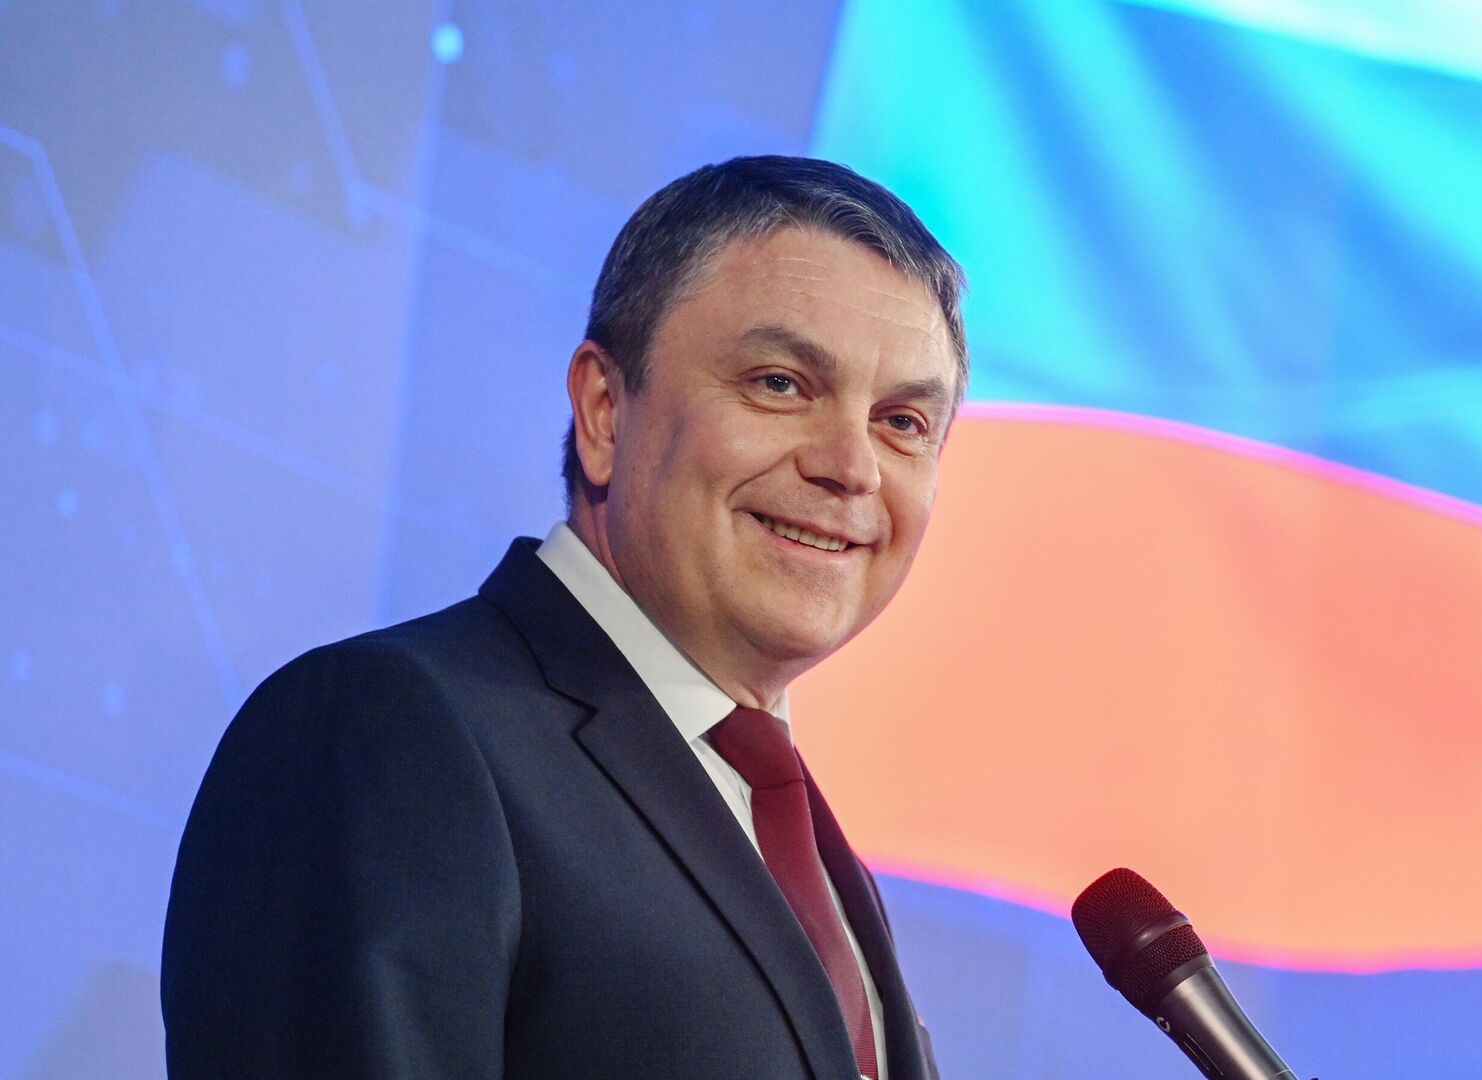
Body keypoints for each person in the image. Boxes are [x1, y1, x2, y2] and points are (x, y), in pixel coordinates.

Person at [160, 155, 966, 1079]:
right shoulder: (387, 731)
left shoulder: (801, 839)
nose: (851, 467)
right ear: (604, 412)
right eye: (780, 383)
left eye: (903, 422)